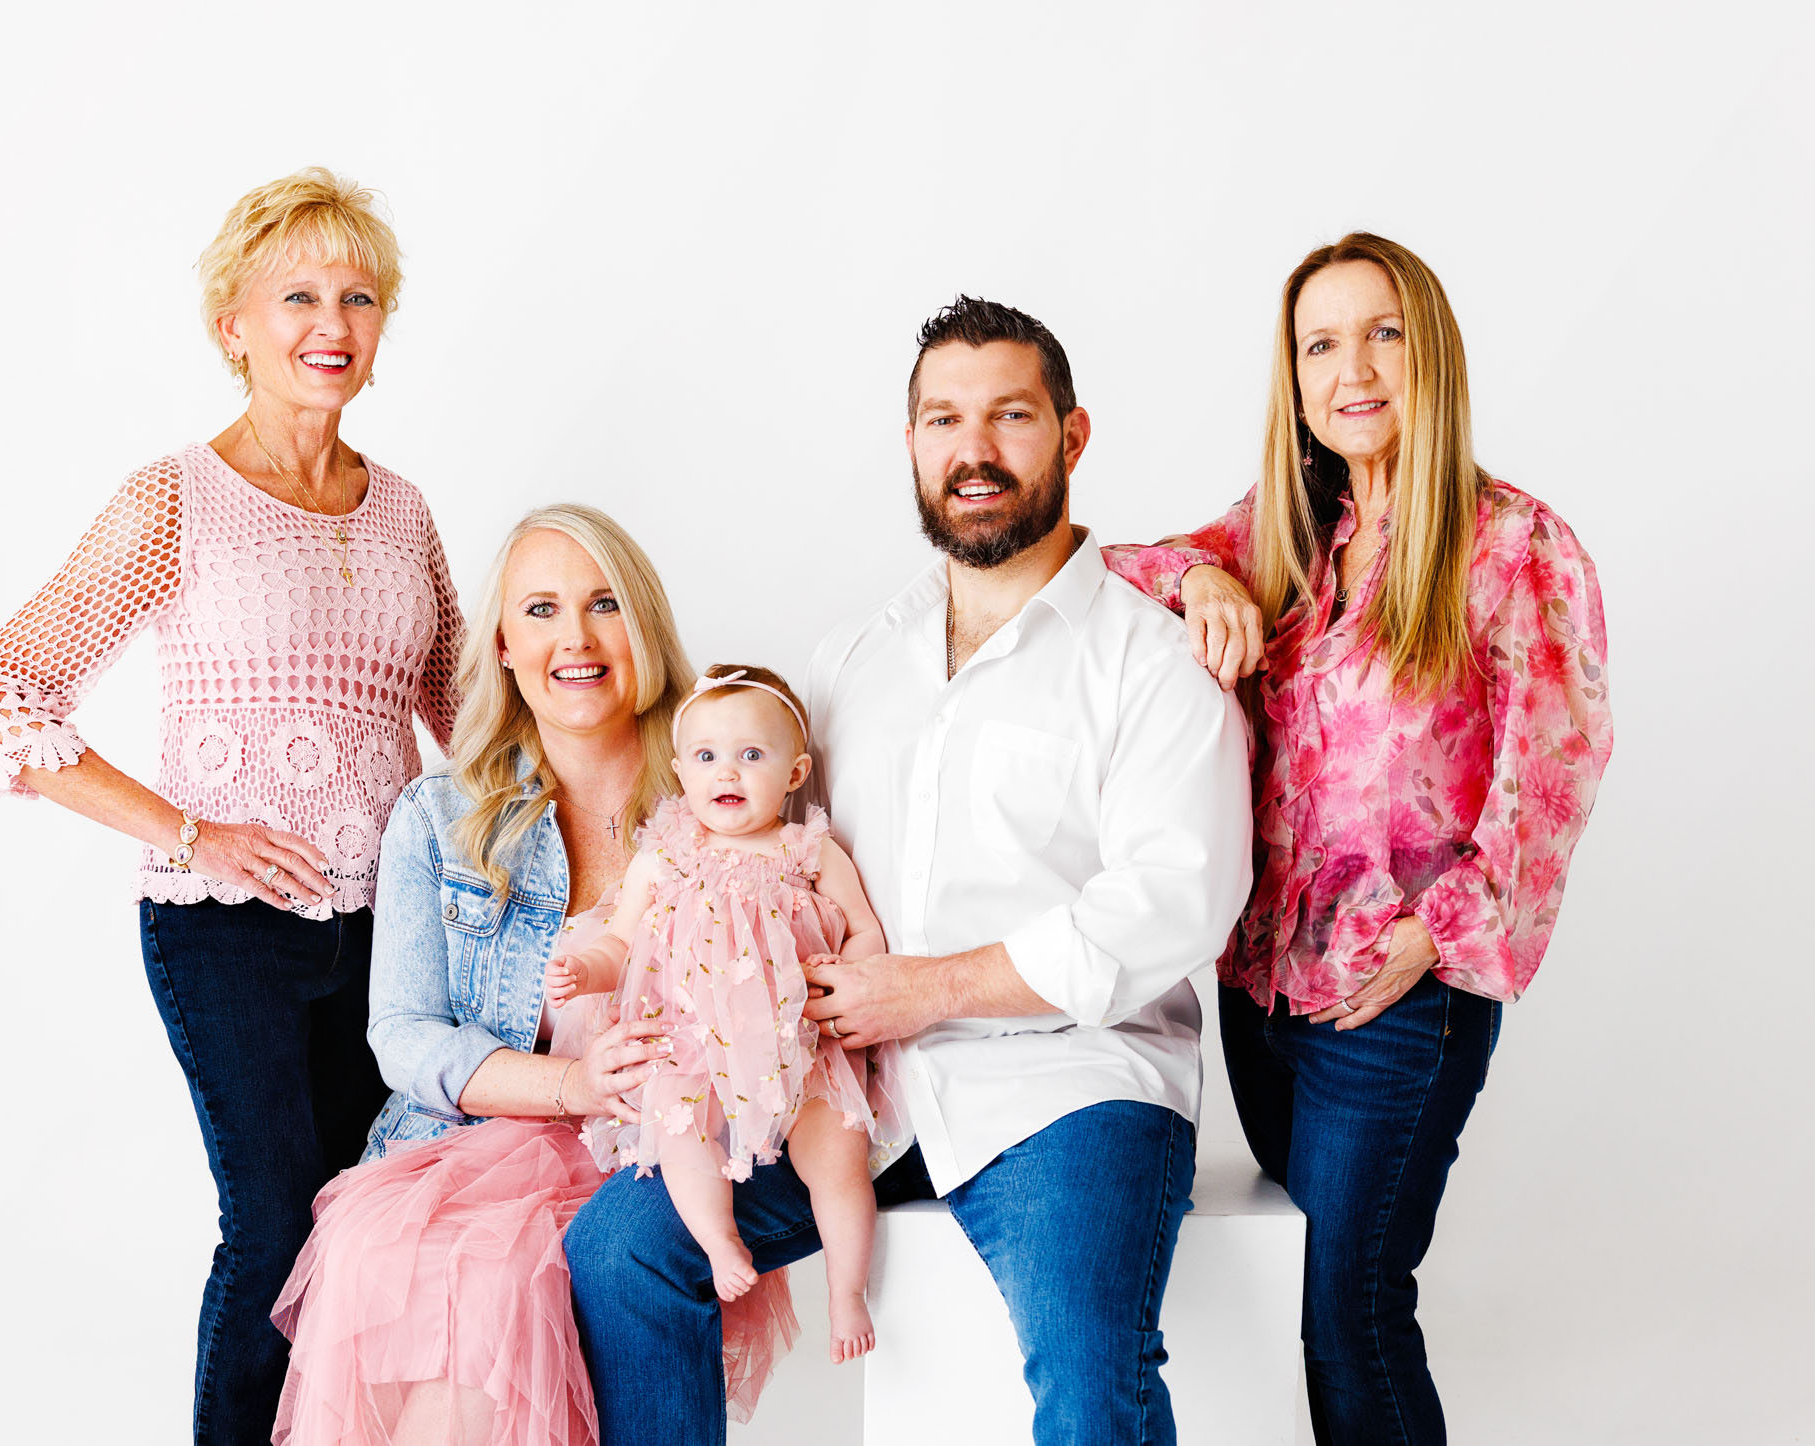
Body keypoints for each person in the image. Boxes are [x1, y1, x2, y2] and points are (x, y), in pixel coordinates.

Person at [564, 297, 1256, 1446]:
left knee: (1089, 1369)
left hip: (1068, 1086)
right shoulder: (851, 661)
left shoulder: (1149, 659)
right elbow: (759, 858)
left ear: (1072, 436)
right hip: (853, 1093)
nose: (971, 449)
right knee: (620, 1252)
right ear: (910, 443)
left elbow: (1172, 904)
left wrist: (929, 989)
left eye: (1008, 416)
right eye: (943, 420)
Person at [0, 168, 462, 1444]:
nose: (331, 323)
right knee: (275, 1225)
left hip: (390, 937)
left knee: (365, 1222)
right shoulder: (175, 498)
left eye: (358, 297)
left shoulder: (405, 512)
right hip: (224, 930)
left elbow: (473, 722)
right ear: (233, 325)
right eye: (298, 296)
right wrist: (190, 832)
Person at [1102, 232, 1614, 1446]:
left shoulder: (1511, 545)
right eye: (1318, 345)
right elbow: (1109, 568)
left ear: (1428, 350)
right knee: (1310, 1302)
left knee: (1351, 1308)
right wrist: (1201, 582)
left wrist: (1432, 937)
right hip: (1260, 997)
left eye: (1381, 333)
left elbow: (1554, 769)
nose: (1353, 370)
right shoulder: (1285, 533)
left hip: (1395, 998)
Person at [271, 507, 794, 1446]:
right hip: (466, 1150)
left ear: (644, 628)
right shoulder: (439, 815)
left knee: (532, 1276)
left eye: (605, 604)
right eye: (542, 610)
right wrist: (573, 1085)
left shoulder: (725, 794)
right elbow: (404, 1036)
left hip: (661, 1149)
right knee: (440, 1270)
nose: (576, 638)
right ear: (505, 646)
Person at [548, 663, 899, 1364]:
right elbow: (621, 941)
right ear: (681, 771)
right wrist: (588, 968)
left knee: (838, 1161)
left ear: (795, 773)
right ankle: (718, 1240)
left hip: (804, 1044)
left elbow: (865, 929)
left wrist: (851, 975)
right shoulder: (667, 856)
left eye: (752, 755)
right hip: (694, 1046)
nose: (727, 772)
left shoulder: (808, 850)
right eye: (706, 757)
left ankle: (847, 1291)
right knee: (680, 1132)